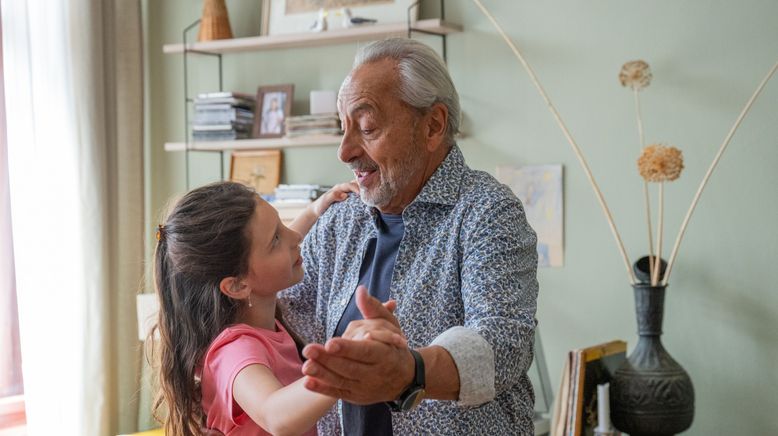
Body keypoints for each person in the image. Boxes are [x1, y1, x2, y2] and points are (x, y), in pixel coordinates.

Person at [279, 38, 540, 434]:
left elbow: (502, 343)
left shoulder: (486, 210)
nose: (345, 151)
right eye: (343, 128)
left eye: (367, 128)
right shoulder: (339, 221)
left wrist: (410, 372)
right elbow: (281, 311)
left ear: (433, 125)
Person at [150, 180, 404, 435]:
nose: (295, 238)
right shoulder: (235, 351)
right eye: (276, 239)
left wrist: (314, 211)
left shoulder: (257, 309)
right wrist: (343, 366)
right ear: (237, 286)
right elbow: (276, 416)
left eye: (283, 224)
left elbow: (265, 254)